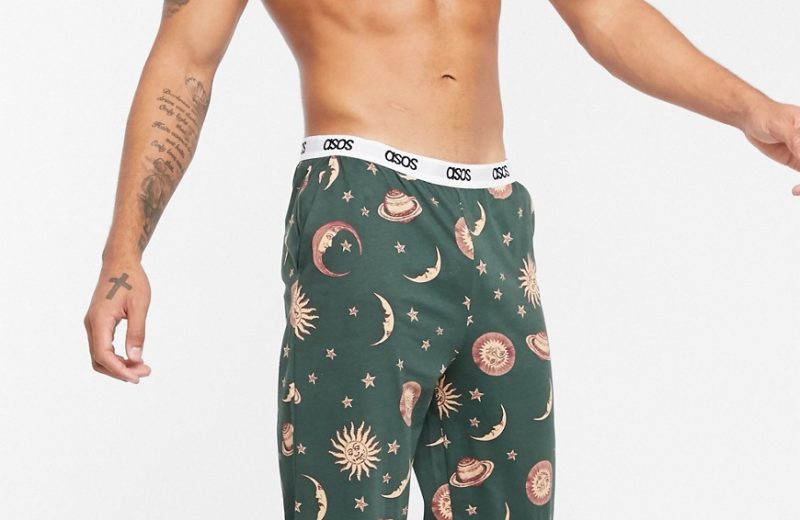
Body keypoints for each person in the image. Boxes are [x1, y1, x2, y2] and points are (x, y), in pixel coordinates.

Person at [82, 1, 800, 518]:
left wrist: (753, 108)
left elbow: (606, 14)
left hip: (497, 221)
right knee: (348, 500)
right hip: (363, 208)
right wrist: (125, 250)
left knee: (512, 503)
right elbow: (186, 59)